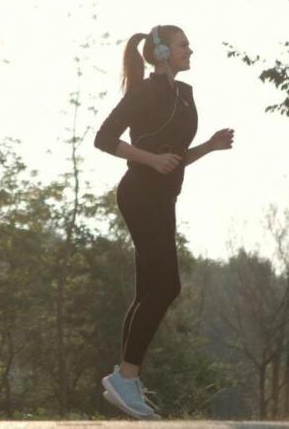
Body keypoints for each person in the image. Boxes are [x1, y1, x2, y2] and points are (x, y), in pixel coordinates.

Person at [94, 25, 234, 420]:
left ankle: (127, 380)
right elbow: (104, 138)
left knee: (148, 290)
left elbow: (174, 156)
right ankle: (125, 377)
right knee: (167, 285)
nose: (190, 50)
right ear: (161, 51)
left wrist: (208, 146)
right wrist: (151, 160)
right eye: (183, 45)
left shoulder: (185, 95)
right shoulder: (143, 92)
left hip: (163, 197)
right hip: (139, 194)